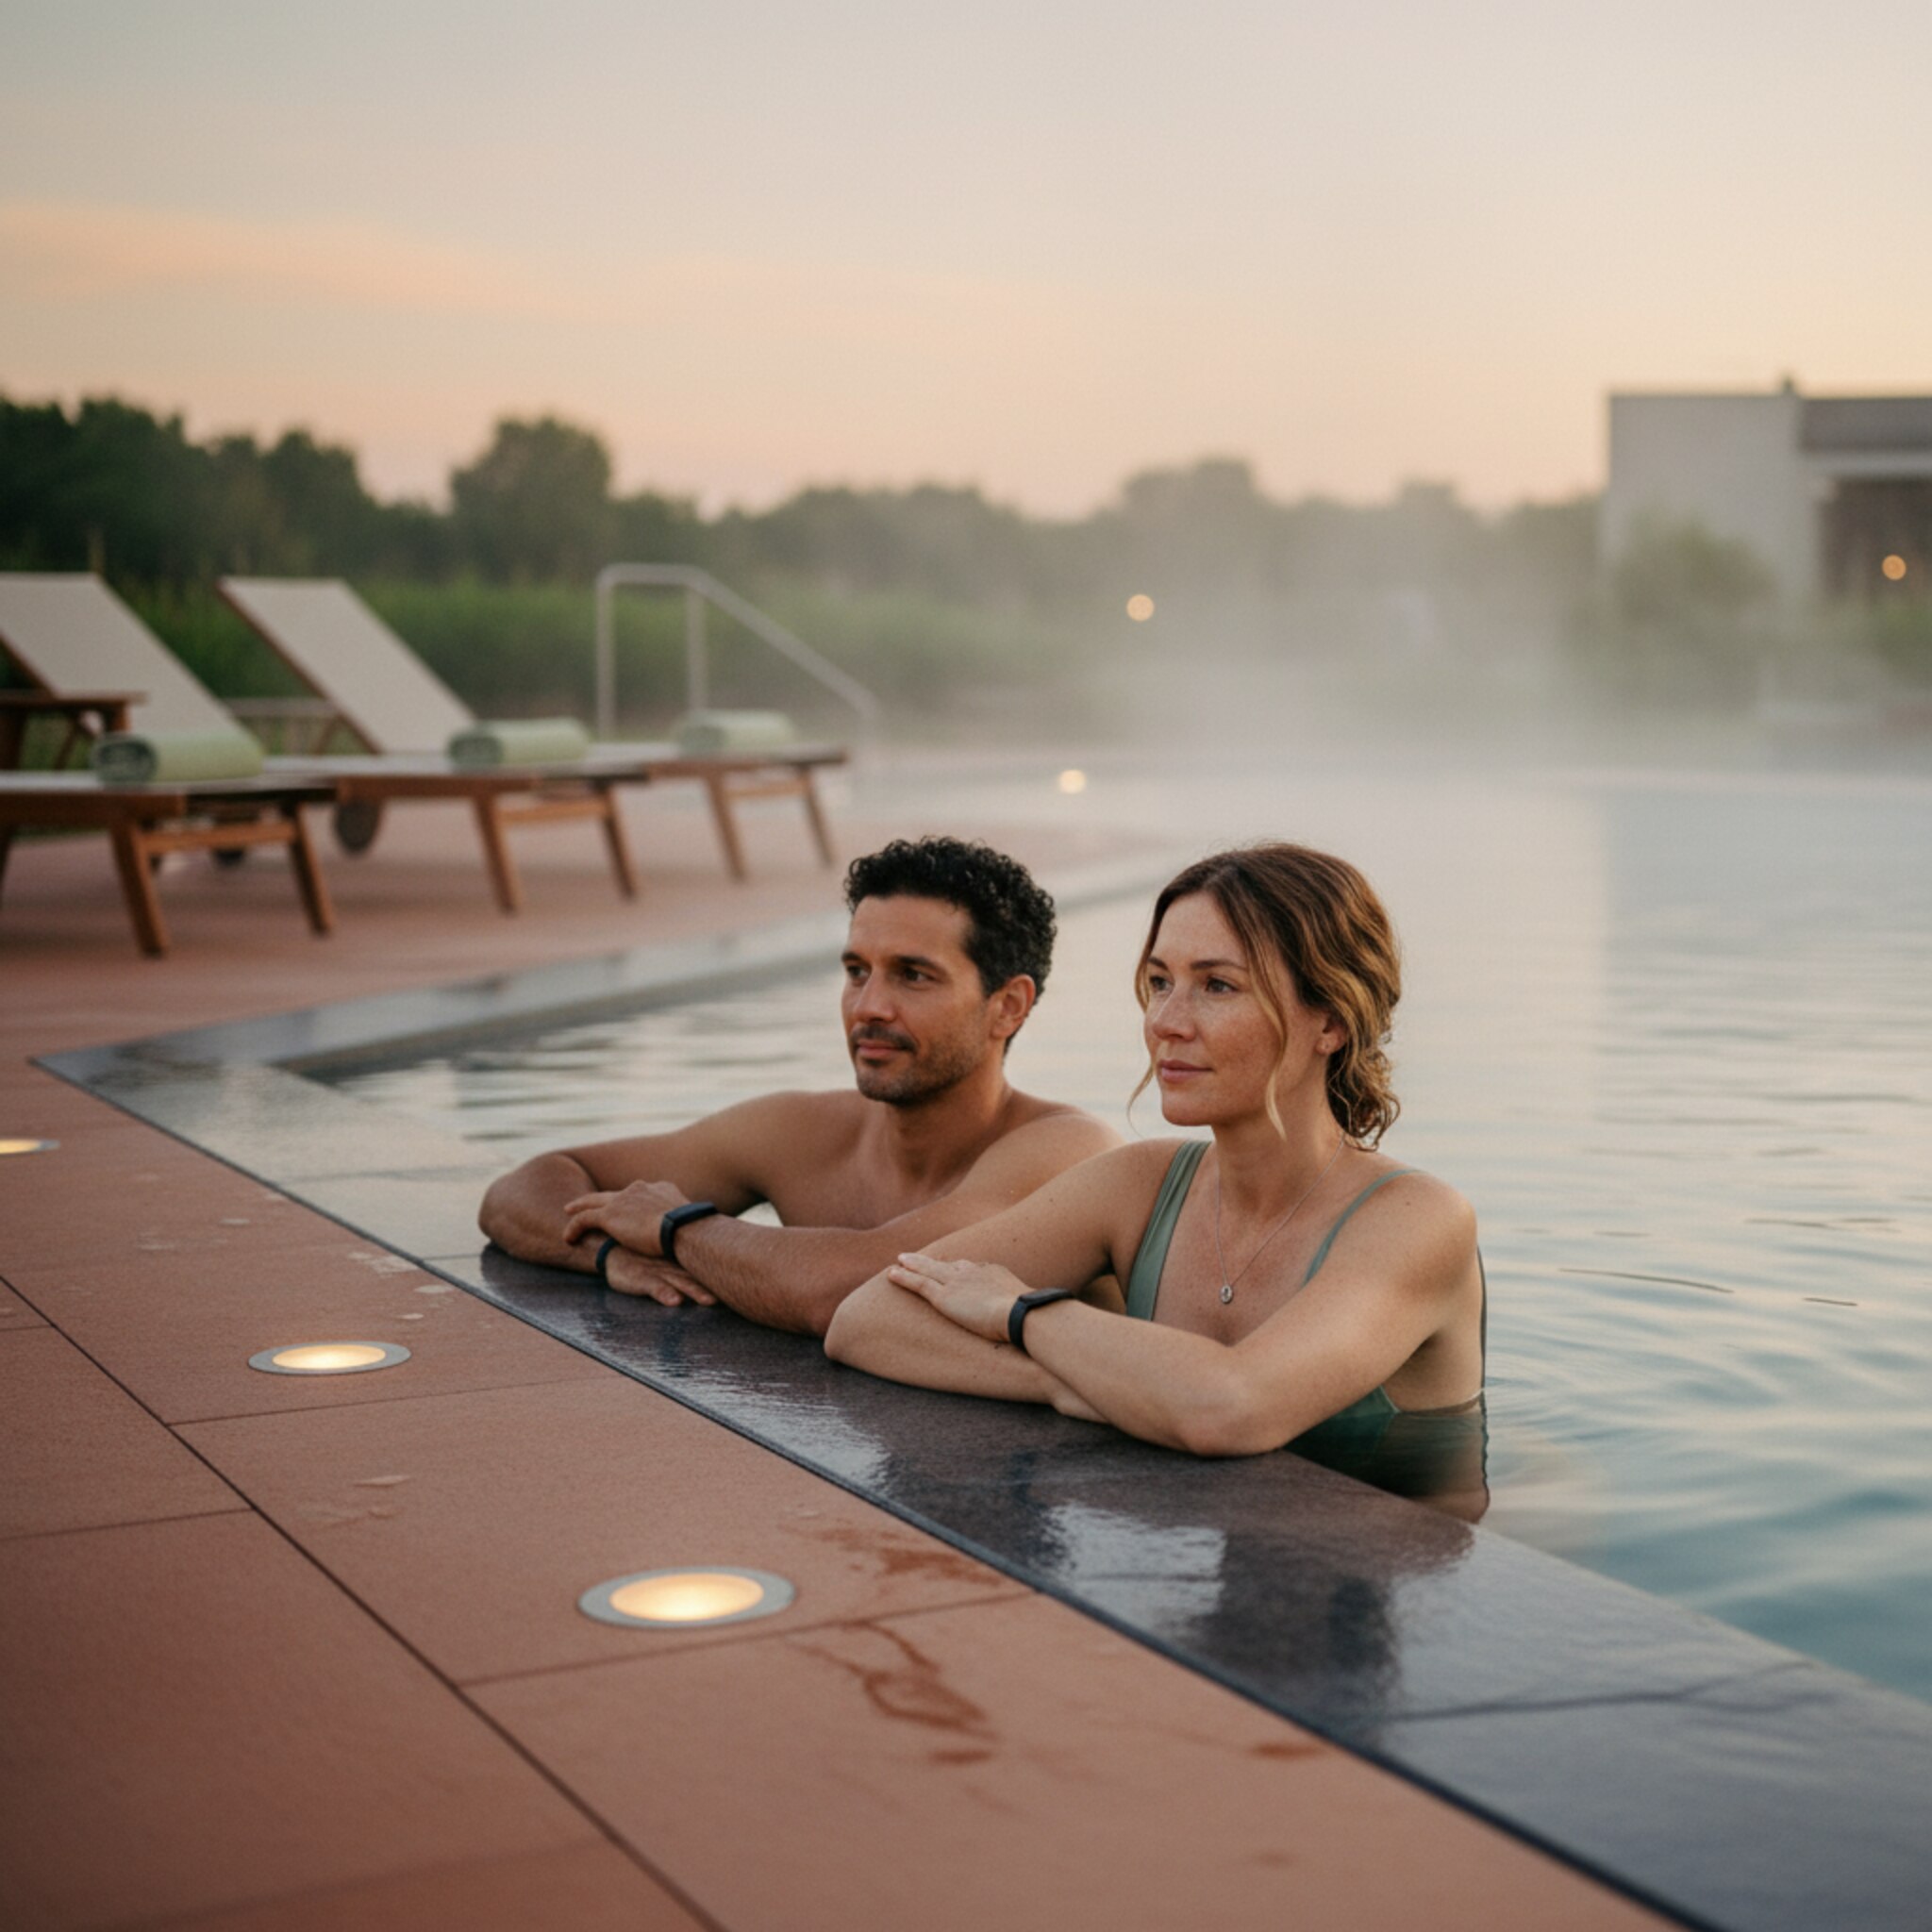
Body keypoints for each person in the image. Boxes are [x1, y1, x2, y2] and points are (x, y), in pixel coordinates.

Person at [824, 842, 1485, 1457]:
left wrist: (1020, 1314)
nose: (1167, 1022)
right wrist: (1081, 1386)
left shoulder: (1418, 1220)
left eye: (1217, 986)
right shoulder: (1139, 1185)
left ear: (1332, 1021)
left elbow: (1230, 1408)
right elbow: (866, 1319)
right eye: (1161, 982)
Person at [477, 837, 1120, 1336]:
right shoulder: (800, 1132)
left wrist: (675, 1228)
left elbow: (842, 1292)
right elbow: (526, 1187)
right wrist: (604, 1255)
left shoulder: (1068, 1152)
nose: (869, 1006)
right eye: (855, 971)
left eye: (913, 976)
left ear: (1008, 1006)